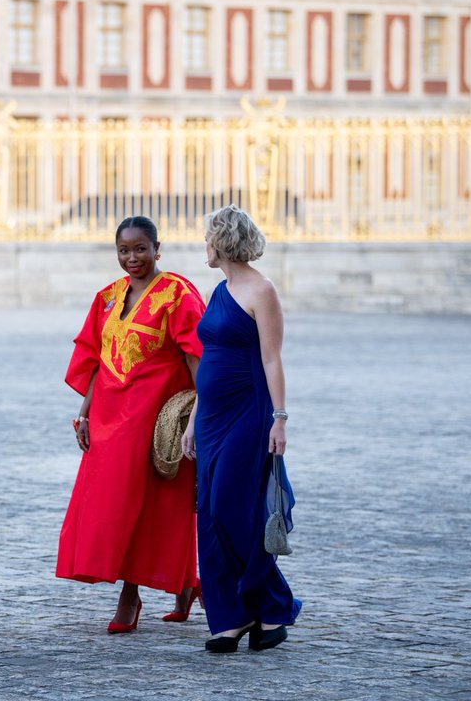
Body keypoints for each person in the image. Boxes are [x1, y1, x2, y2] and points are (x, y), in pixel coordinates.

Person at [57, 216, 206, 633]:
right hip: (109, 418)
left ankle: (136, 593)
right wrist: (84, 414)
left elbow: (197, 357)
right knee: (115, 506)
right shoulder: (107, 296)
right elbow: (94, 361)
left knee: (162, 505)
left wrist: (200, 416)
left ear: (158, 249)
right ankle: (186, 585)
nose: (132, 257)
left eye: (141, 248)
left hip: (157, 420)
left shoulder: (177, 295)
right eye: (124, 250)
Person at [182, 204, 301, 653]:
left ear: (223, 241)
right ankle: (233, 615)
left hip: (249, 415)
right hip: (211, 419)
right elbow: (208, 359)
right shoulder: (219, 290)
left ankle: (270, 606)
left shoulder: (261, 290)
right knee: (210, 513)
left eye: (207, 238)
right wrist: (193, 420)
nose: (204, 247)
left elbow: (272, 358)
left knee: (236, 510)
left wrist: (280, 419)